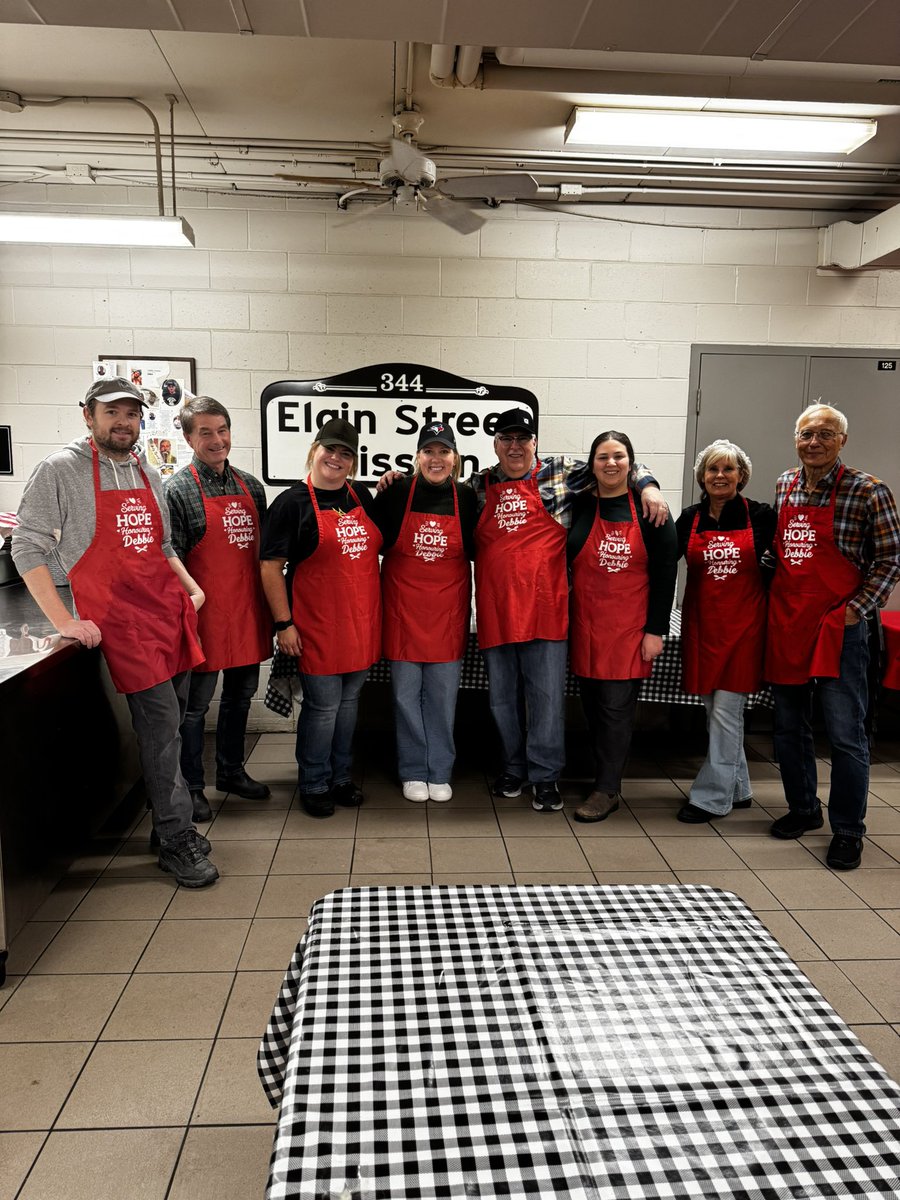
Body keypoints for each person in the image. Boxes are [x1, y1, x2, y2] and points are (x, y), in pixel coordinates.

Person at [11, 377, 218, 887]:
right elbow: (26, 547)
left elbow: (164, 545)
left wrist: (193, 591)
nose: (123, 422)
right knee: (163, 728)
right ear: (88, 416)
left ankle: (166, 822)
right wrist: (65, 621)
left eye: (131, 413)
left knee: (175, 723)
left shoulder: (147, 469)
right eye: (111, 413)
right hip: (120, 622)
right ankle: (174, 839)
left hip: (167, 613)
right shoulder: (60, 470)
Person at [468, 408, 668, 812]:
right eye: (506, 439)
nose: (515, 446)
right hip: (496, 610)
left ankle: (544, 777)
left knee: (546, 702)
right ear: (495, 445)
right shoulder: (477, 485)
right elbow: (432, 485)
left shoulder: (556, 473)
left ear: (534, 443)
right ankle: (513, 768)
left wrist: (648, 485)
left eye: (522, 439)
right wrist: (396, 480)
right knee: (502, 701)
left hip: (545, 610)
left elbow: (613, 463)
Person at [765, 403, 900, 870]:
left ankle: (847, 829)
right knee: (788, 727)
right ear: (795, 439)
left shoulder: (869, 491)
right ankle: (803, 808)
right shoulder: (784, 484)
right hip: (788, 623)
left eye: (825, 434)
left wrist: (854, 612)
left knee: (845, 735)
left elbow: (889, 561)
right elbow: (780, 554)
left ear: (842, 440)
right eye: (806, 434)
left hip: (840, 630)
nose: (814, 442)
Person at [260, 418, 382, 818]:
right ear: (314, 450)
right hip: (316, 626)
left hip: (360, 623)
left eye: (346, 453)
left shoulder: (360, 495)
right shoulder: (292, 503)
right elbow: (269, 566)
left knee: (348, 705)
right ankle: (314, 781)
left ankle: (341, 778)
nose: (337, 458)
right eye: (330, 449)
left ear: (354, 461)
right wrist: (284, 624)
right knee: (323, 707)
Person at [165, 396, 273, 824]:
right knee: (195, 708)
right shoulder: (178, 489)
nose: (216, 440)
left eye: (222, 430)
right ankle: (192, 785)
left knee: (240, 697)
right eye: (205, 432)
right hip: (204, 617)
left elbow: (264, 555)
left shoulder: (252, 486)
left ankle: (230, 771)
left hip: (247, 611)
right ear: (189, 437)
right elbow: (170, 560)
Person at [567, 431, 677, 822]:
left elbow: (666, 573)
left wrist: (656, 630)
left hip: (629, 629)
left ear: (631, 462)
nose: (610, 464)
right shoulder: (578, 504)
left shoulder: (653, 511)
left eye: (619, 456)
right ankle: (603, 774)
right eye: (602, 457)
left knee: (616, 709)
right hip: (584, 625)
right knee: (593, 708)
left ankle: (607, 789)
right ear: (591, 464)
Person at [372, 421, 477, 802]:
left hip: (447, 613)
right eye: (429, 451)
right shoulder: (396, 491)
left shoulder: (468, 498)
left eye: (444, 451)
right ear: (418, 456)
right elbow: (370, 542)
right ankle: (413, 770)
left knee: (443, 697)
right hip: (403, 610)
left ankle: (440, 771)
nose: (436, 458)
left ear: (455, 458)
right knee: (405, 696)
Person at [675, 440, 775, 823]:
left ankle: (712, 798)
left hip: (744, 628)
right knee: (713, 711)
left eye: (728, 469)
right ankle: (740, 787)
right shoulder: (690, 518)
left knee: (725, 714)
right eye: (712, 470)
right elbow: (663, 562)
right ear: (702, 476)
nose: (720, 476)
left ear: (742, 476)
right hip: (702, 629)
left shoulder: (763, 516)